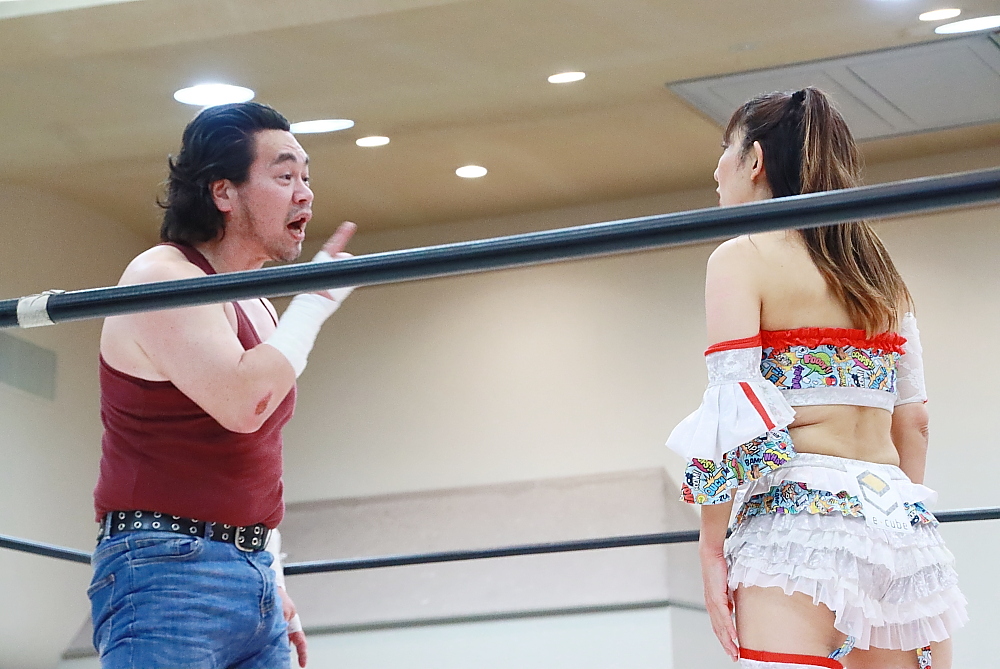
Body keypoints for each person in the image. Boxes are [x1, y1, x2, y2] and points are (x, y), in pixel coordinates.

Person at [666, 88, 967, 668]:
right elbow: (915, 421)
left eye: (726, 149)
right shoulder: (880, 275)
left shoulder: (740, 257)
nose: (717, 169)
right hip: (898, 522)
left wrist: (710, 551)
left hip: (795, 524)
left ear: (755, 160)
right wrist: (897, 523)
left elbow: (733, 408)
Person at [89, 101, 356, 668]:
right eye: (285, 177)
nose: (305, 195)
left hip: (251, 572)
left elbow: (254, 457)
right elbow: (243, 403)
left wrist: (272, 577)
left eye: (306, 178)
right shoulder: (160, 275)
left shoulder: (256, 303)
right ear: (224, 192)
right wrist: (314, 304)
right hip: (164, 568)